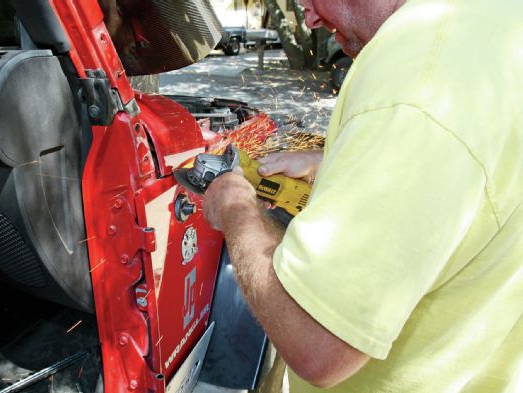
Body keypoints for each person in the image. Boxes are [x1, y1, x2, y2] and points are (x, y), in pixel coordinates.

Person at [202, 0, 523, 392]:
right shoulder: (497, 23)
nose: (310, 18)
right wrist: (343, 159)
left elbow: (317, 345)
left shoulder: (418, 80)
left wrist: (236, 208)